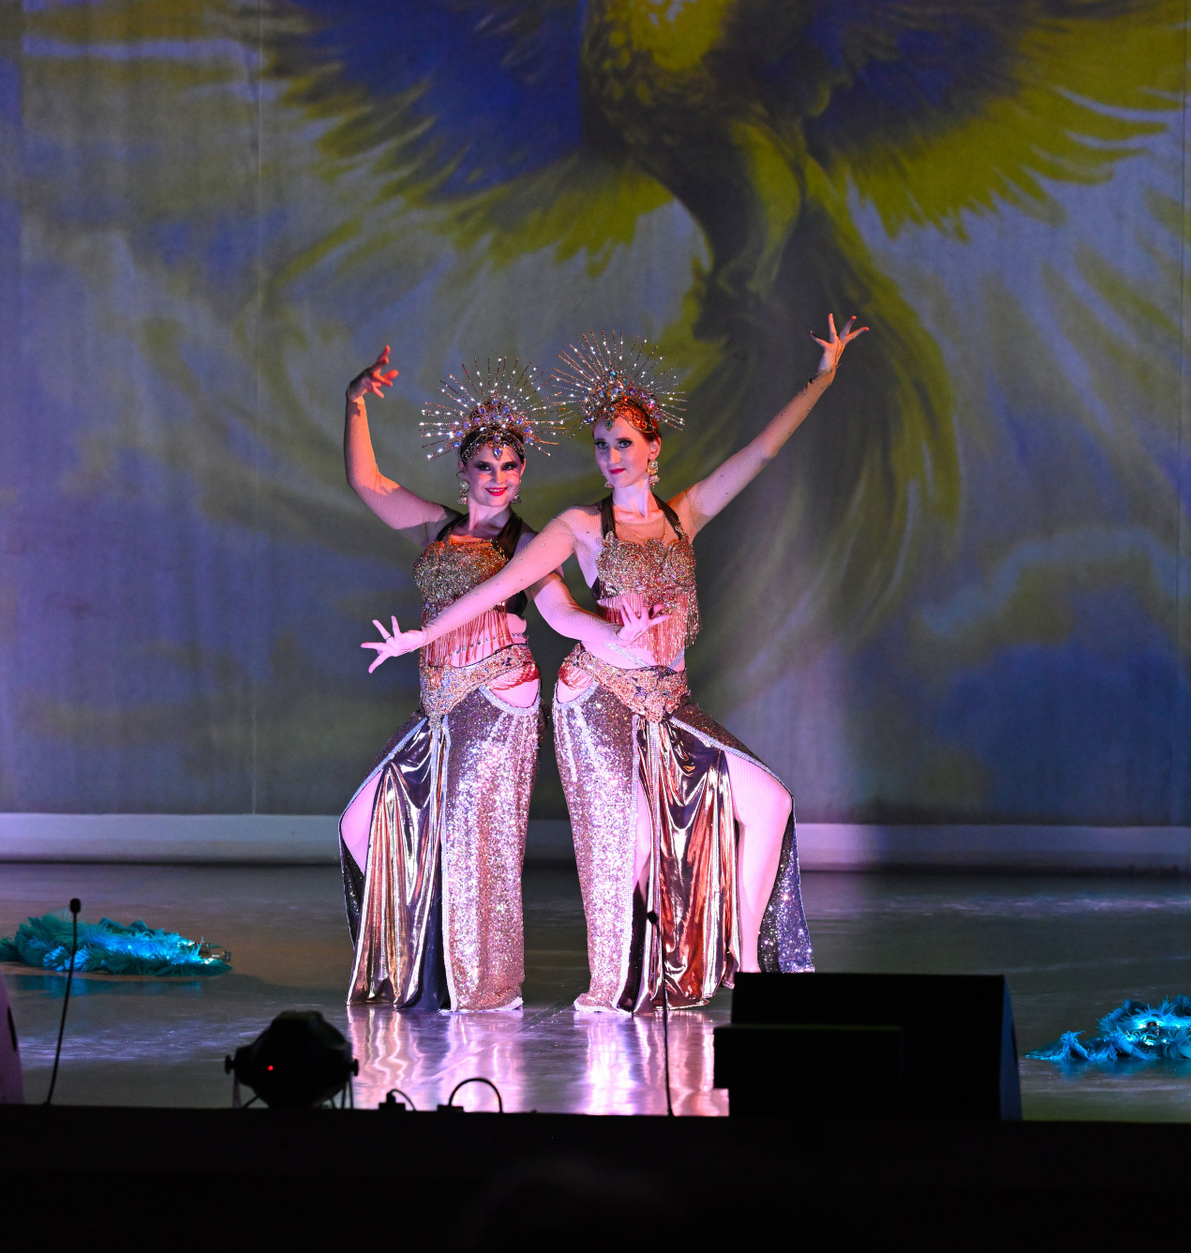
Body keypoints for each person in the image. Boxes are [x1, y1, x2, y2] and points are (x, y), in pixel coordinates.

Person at [363, 316, 868, 1011]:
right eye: (601, 445)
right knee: (626, 848)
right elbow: (507, 585)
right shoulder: (580, 526)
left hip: (666, 696)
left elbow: (759, 453)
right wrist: (424, 636)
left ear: (653, 448)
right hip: (597, 692)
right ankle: (618, 983)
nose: (610, 456)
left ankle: (749, 963)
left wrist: (823, 379)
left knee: (771, 803)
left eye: (623, 443)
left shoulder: (685, 515)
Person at [339, 347, 652, 1010]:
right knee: (363, 822)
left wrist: (615, 636)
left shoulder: (527, 544)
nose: (498, 477)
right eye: (485, 465)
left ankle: (486, 986)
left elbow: (562, 612)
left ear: (522, 471)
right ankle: (427, 959)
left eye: (510, 466)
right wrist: (355, 401)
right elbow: (367, 483)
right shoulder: (437, 526)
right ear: (464, 470)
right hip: (438, 704)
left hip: (497, 696)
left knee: (475, 839)